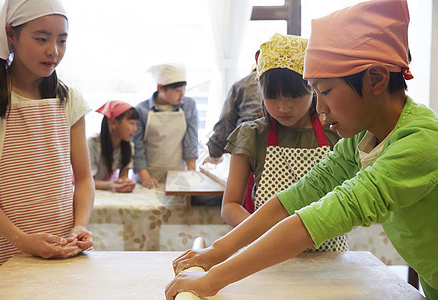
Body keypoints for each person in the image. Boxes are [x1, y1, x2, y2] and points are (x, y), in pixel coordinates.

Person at [165, 0, 438, 299]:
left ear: (376, 79)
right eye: (316, 93)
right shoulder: (363, 137)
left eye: (326, 92)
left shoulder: (420, 143)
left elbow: (326, 215)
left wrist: (212, 280)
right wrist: (216, 252)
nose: (320, 108)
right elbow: (301, 195)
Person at [0, 0, 94, 275]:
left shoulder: (69, 100)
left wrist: (80, 225)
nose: (54, 51)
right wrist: (21, 239)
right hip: (1, 247)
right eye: (41, 39)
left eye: (62, 40)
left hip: (60, 245)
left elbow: (83, 178)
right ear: (11, 35)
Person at [221, 33, 346, 258]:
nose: (282, 108)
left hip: (327, 257)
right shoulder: (252, 136)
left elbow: (353, 197)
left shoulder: (338, 132)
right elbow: (229, 206)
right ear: (260, 91)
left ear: (312, 89)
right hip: (266, 255)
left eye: (294, 96)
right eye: (273, 97)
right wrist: (265, 233)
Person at [133, 63, 199, 189]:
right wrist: (145, 178)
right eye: (177, 91)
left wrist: (190, 176)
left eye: (184, 89)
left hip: (178, 177)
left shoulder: (188, 105)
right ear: (160, 88)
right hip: (148, 177)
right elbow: (137, 147)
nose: (182, 95)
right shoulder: (142, 110)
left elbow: (191, 142)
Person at [203, 68, 262, 165]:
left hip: (245, 148)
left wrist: (215, 153)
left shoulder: (243, 84)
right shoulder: (291, 77)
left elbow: (226, 121)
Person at [88, 100, 138, 193]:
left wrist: (126, 183)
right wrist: (110, 185)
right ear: (113, 123)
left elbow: (123, 176)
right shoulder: (91, 143)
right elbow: (86, 181)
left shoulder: (129, 146)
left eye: (136, 123)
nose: (135, 129)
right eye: (131, 123)